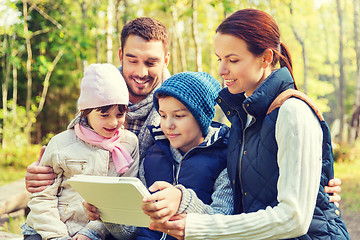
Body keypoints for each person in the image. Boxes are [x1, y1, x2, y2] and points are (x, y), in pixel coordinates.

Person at [148, 9, 350, 239]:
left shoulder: (293, 111)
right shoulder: (242, 117)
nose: (222, 70)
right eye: (220, 59)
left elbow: (294, 218)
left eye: (233, 60)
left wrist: (199, 228)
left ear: (265, 58)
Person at [24, 16, 170, 191]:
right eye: (132, 60)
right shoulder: (99, 92)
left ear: (165, 61)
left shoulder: (174, 106)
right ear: (121, 55)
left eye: (151, 62)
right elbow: (73, 152)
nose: (141, 72)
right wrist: (41, 175)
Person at [21, 63, 139, 240]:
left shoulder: (129, 143)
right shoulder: (61, 144)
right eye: (104, 115)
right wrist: (58, 236)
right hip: (47, 230)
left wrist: (90, 232)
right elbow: (42, 197)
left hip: (93, 233)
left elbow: (122, 200)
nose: (114, 123)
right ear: (85, 112)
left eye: (120, 114)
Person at [135, 71, 234, 240]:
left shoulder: (223, 159)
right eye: (163, 115)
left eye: (179, 116)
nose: (168, 125)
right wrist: (105, 215)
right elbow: (132, 226)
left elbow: (222, 220)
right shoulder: (152, 156)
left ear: (201, 118)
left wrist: (183, 202)